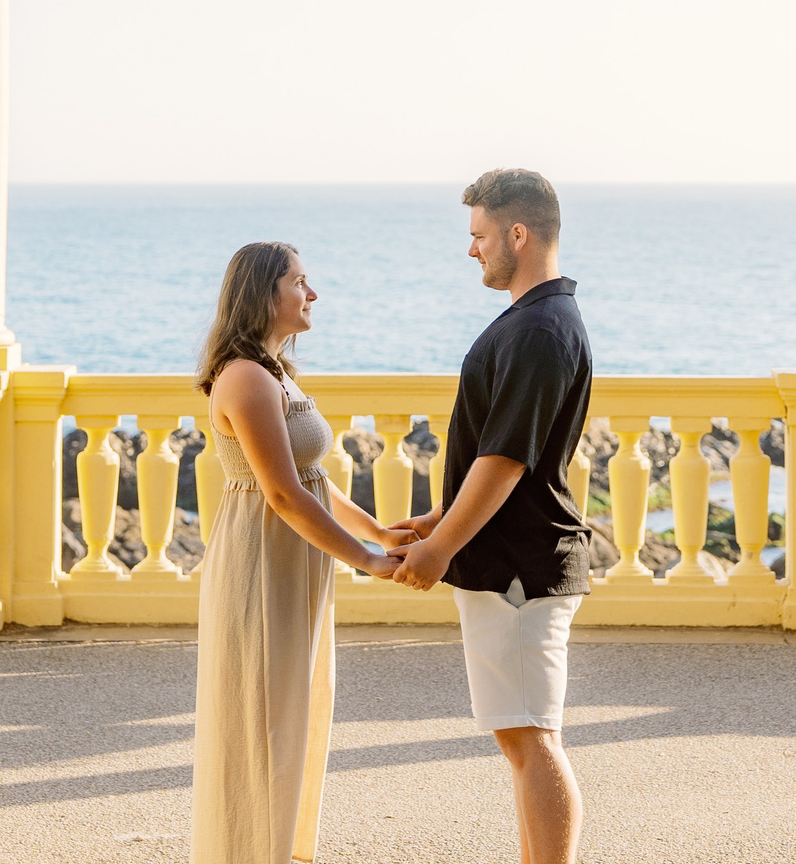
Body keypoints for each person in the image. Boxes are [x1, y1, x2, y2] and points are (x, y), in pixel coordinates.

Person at [385, 168, 593, 864]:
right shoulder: (534, 320)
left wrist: (442, 546)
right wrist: (442, 515)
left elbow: (505, 460)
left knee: (531, 736)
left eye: (479, 235)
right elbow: (507, 455)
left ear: (518, 233)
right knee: (523, 735)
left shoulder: (539, 328)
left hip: (520, 571)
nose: (471, 249)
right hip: (514, 562)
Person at [190, 240, 406, 864]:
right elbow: (281, 494)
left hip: (291, 560)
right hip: (262, 562)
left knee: (295, 716)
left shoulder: (275, 370)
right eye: (300, 281)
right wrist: (364, 560)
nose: (313, 294)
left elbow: (313, 479)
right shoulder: (247, 378)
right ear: (264, 294)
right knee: (262, 722)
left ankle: (282, 851)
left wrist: (380, 533)